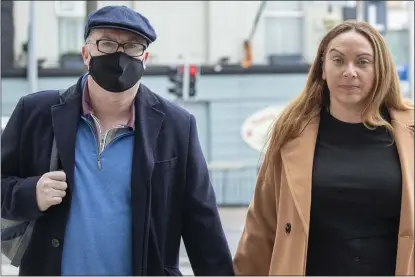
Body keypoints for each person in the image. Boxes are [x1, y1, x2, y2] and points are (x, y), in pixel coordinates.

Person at [1, 5, 234, 276]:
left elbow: (203, 225)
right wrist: (31, 194)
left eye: (132, 46)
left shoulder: (177, 126)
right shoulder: (36, 112)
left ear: (145, 57)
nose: (119, 56)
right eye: (107, 43)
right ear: (86, 53)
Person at [233, 20, 414, 276]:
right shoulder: (290, 133)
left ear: (380, 69)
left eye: (362, 62)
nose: (349, 71)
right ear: (323, 69)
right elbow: (261, 227)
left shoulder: (410, 133)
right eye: (338, 60)